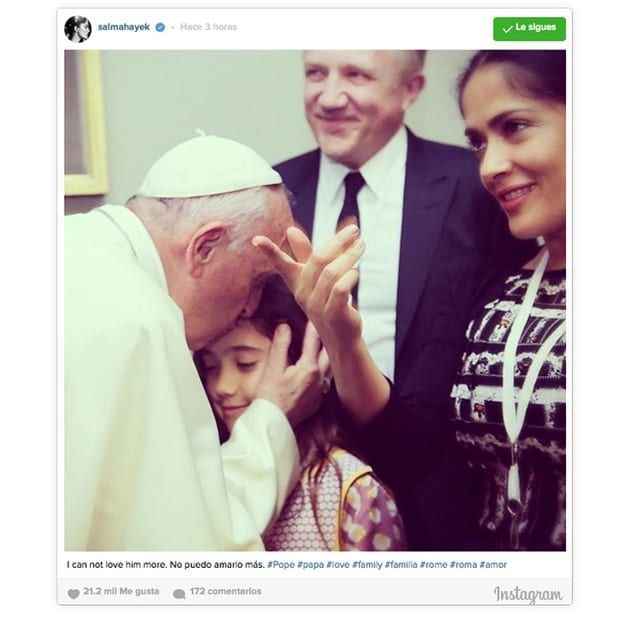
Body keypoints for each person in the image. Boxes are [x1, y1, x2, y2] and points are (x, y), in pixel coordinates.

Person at [256, 49, 566, 551]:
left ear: (411, 90)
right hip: (303, 495)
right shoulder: (271, 190)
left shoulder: (475, 188)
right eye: (315, 73)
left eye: (356, 74)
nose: (329, 96)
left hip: (446, 508)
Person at [64, 135, 327, 551]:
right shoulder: (140, 322)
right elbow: (188, 554)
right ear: (204, 248)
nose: (250, 306)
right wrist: (271, 419)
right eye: (257, 280)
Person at [196, 276, 406, 551]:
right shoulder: (204, 470)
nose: (222, 387)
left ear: (301, 362)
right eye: (210, 367)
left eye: (245, 363)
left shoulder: (350, 490)